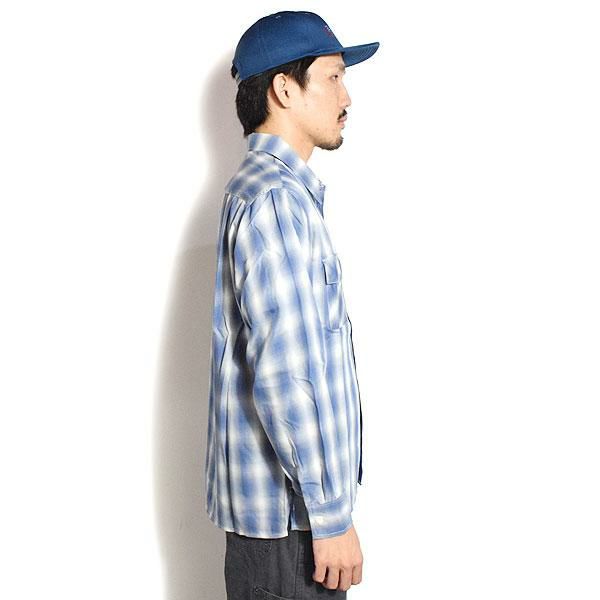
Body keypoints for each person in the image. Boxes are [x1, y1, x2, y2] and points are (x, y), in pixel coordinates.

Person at [204, 10, 379, 599]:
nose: (346, 96)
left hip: (285, 526)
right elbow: (286, 373)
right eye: (333, 77)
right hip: (292, 529)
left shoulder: (268, 194)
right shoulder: (276, 201)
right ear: (284, 88)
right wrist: (330, 517)